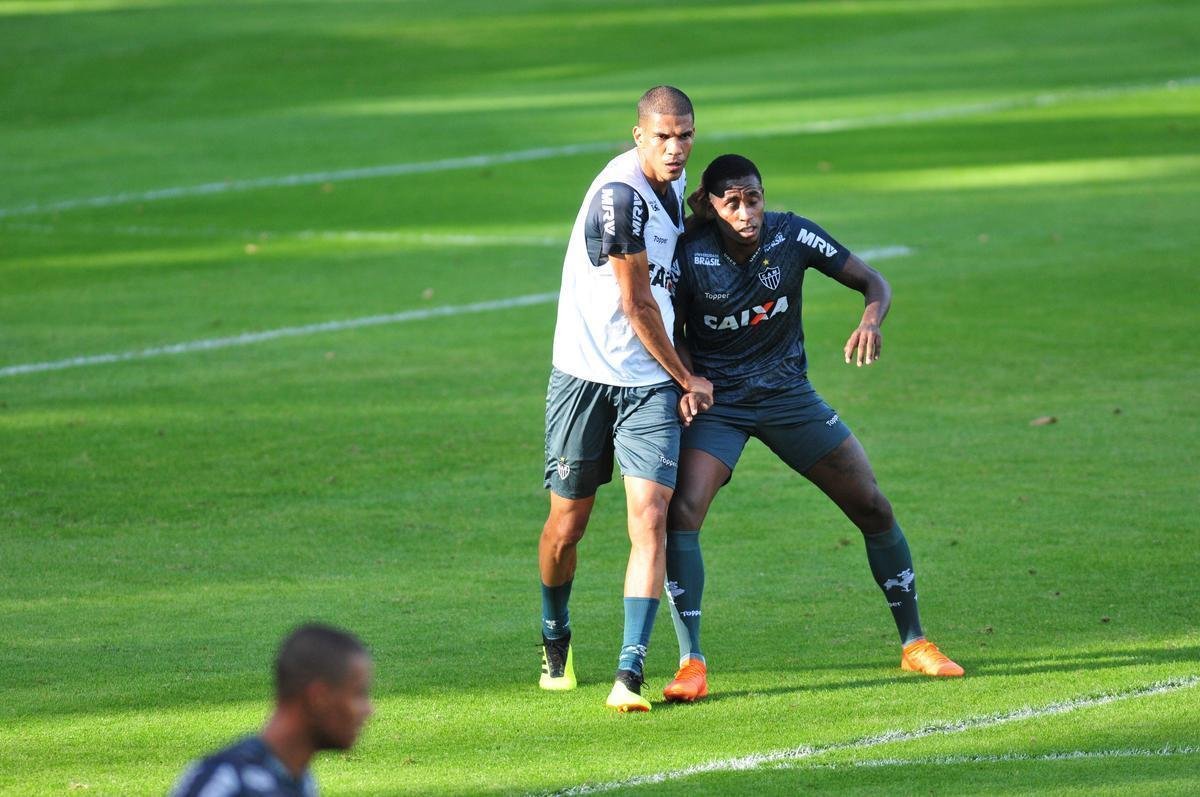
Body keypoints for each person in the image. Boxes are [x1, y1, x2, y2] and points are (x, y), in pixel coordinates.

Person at [660, 154, 963, 703]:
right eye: (733, 202)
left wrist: (870, 319)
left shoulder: (792, 235)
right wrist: (690, 377)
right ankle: (691, 663)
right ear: (711, 204)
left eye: (754, 198)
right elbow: (671, 325)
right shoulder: (689, 254)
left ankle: (915, 642)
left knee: (872, 505)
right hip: (720, 405)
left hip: (787, 397)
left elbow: (873, 281)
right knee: (681, 512)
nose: (747, 211)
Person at [538, 86, 714, 712]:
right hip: (586, 378)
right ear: (637, 135)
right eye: (663, 137)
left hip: (646, 388)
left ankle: (629, 674)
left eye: (685, 135)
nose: (675, 148)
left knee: (650, 516)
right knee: (569, 524)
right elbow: (637, 305)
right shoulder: (619, 199)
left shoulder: (675, 182)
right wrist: (687, 377)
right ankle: (554, 636)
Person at [170, 624, 374, 796]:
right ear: (318, 698)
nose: (369, 710)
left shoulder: (300, 782)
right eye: (358, 694)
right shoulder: (226, 783)